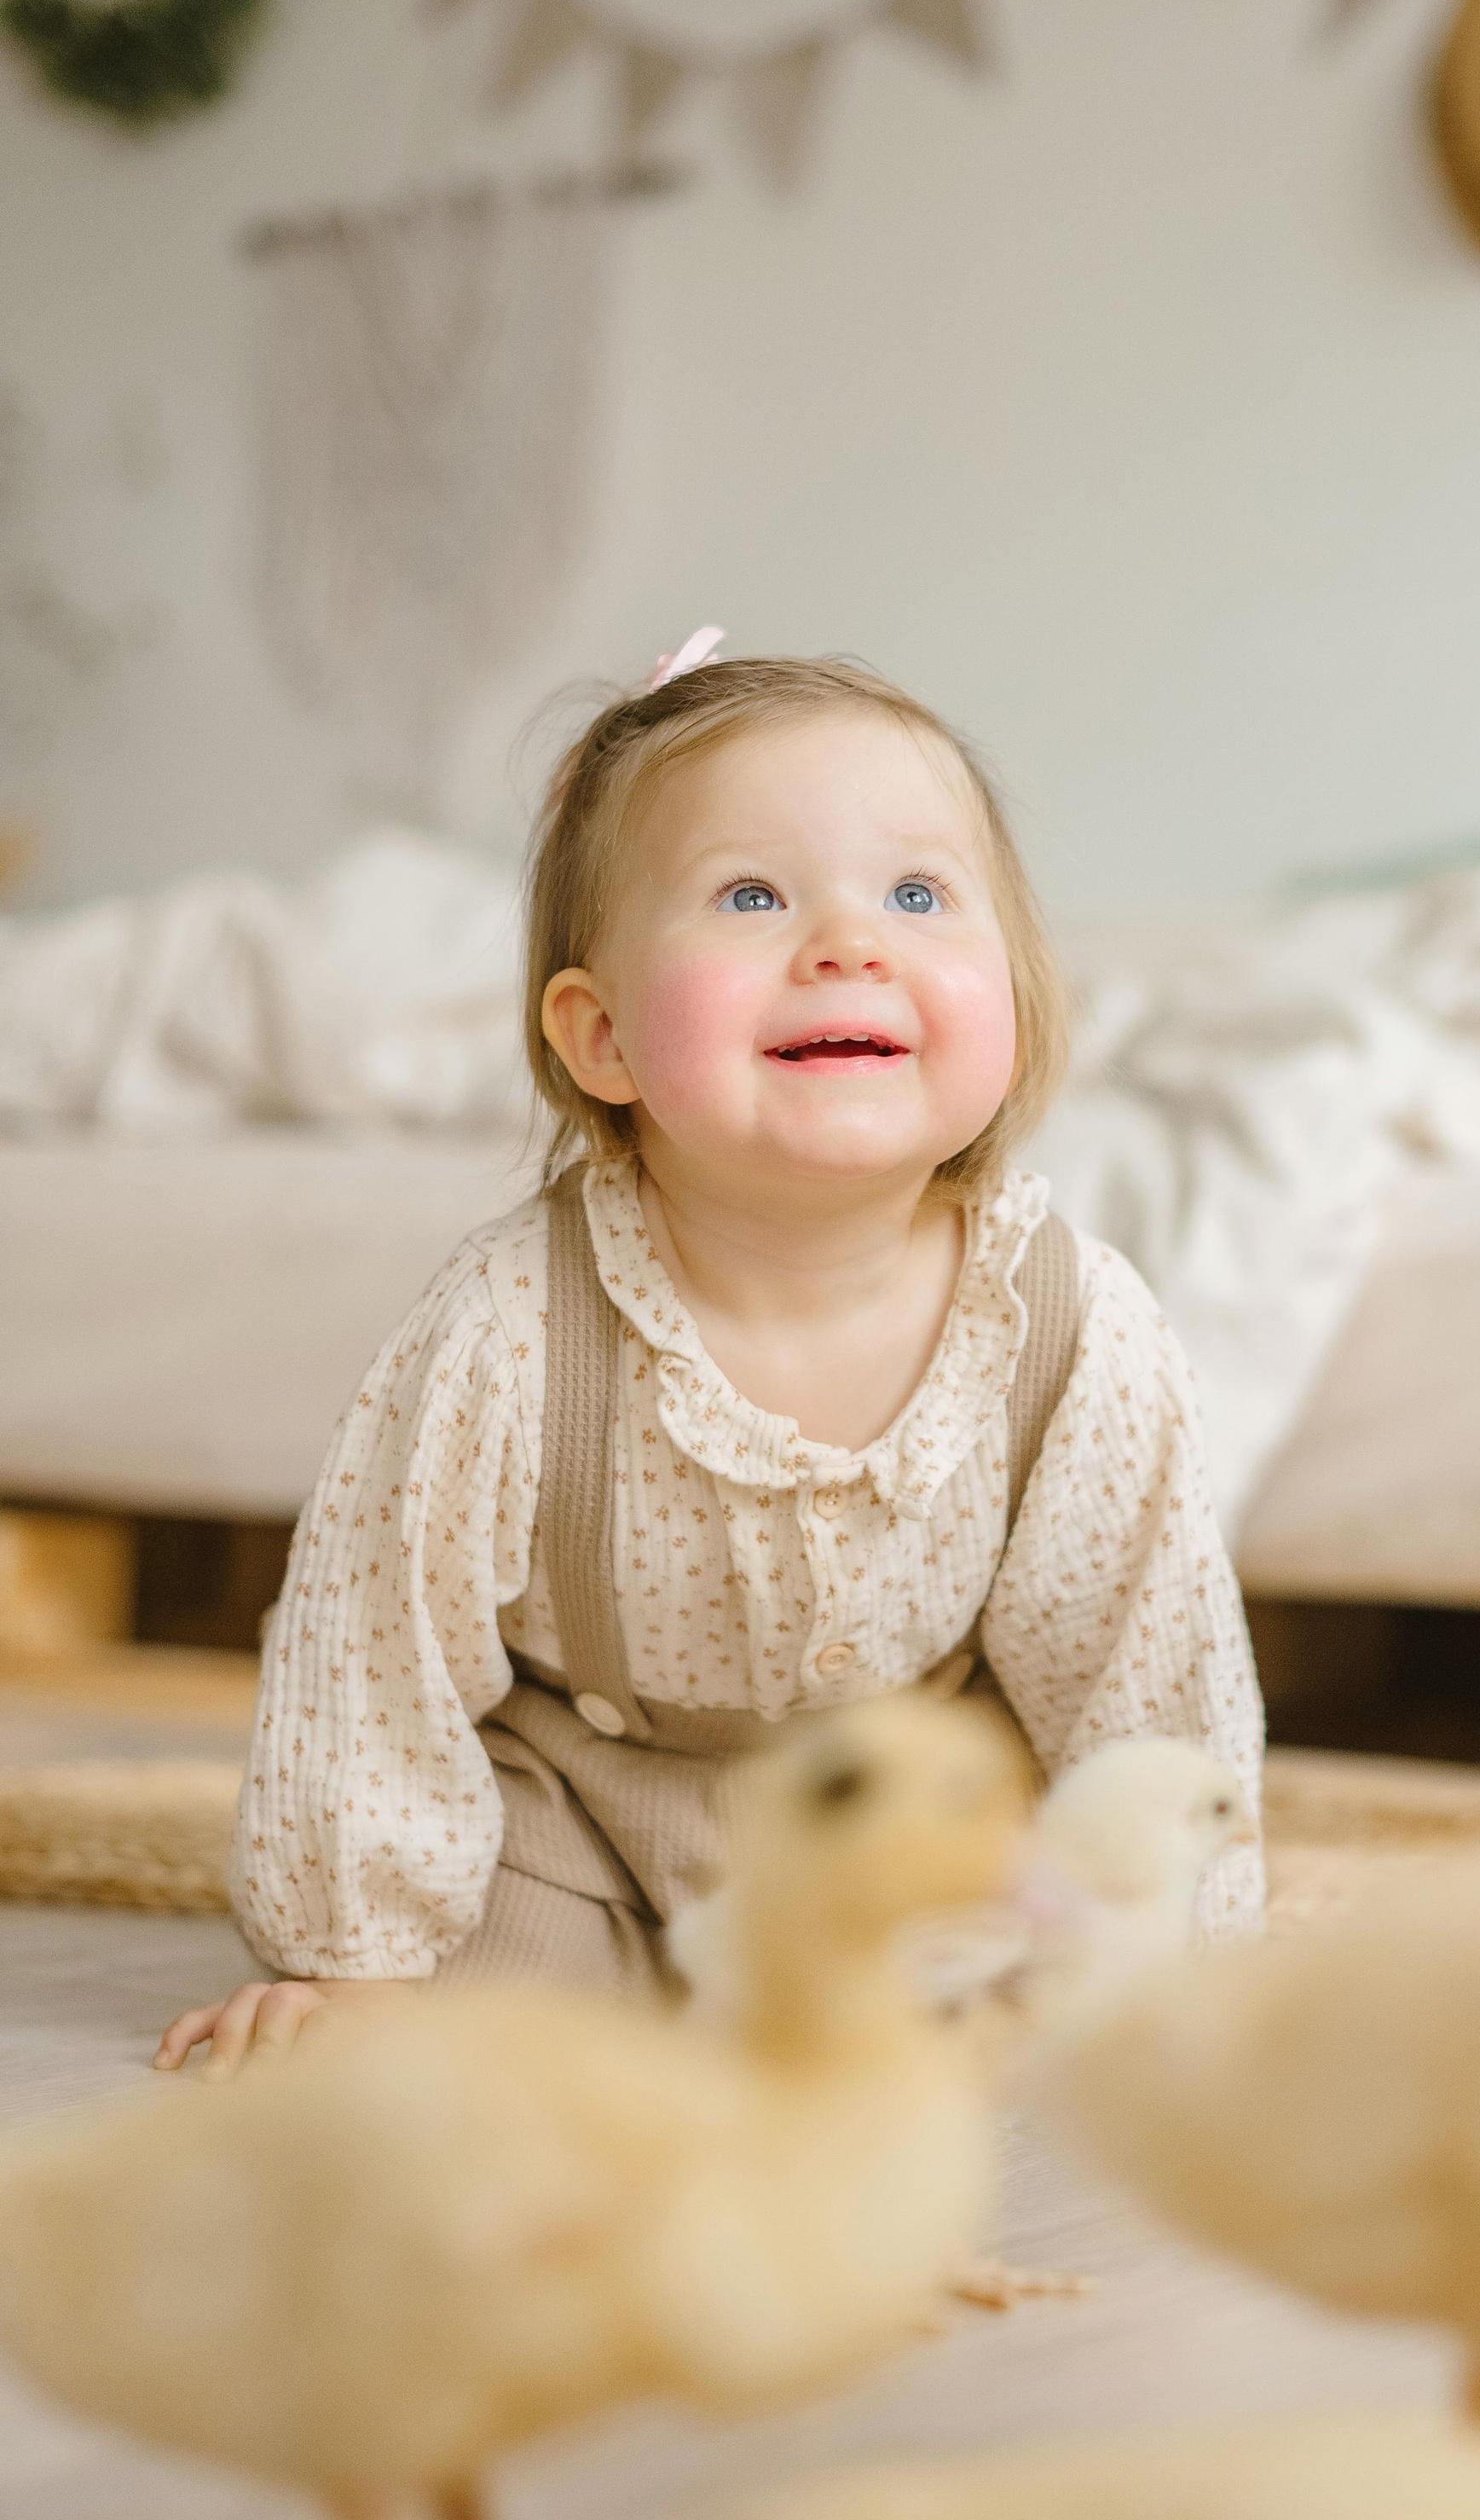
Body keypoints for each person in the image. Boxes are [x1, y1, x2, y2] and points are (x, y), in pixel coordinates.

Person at [156, 646, 1263, 2074]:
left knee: (1019, 2051)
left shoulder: (1065, 1326)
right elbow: (375, 1648)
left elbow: (1149, 1679)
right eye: (753, 896)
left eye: (919, 895)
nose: (850, 944)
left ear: (1022, 998)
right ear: (601, 1034)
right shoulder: (514, 1323)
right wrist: (353, 1958)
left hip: (909, 1853)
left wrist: (1179, 1959)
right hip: (581, 1833)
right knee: (459, 2066)